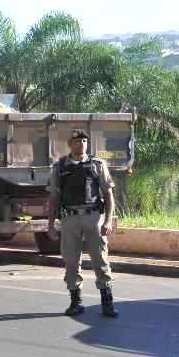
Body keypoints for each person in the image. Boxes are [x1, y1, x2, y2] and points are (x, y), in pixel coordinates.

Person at [47, 129, 118, 318]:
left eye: (85, 141)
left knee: (100, 260)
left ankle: (107, 302)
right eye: (77, 141)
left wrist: (108, 221)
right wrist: (50, 224)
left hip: (94, 217)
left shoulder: (97, 164)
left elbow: (108, 194)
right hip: (69, 219)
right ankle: (75, 301)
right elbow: (54, 197)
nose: (82, 144)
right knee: (71, 261)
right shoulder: (59, 167)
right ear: (70, 144)